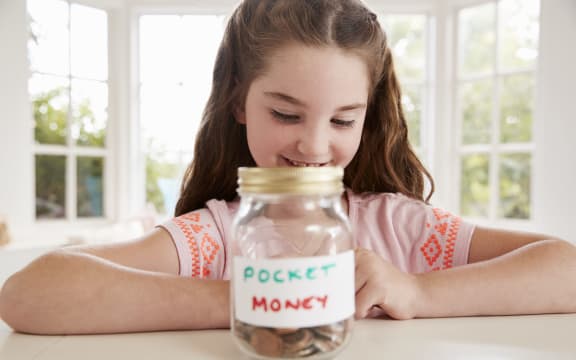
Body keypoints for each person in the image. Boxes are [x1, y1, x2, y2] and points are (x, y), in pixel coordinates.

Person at [1, 0, 575, 335]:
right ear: (238, 102)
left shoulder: (403, 229)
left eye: (343, 120)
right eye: (285, 112)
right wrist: (250, 297)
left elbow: (565, 267)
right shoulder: (219, 235)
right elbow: (28, 293)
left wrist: (419, 292)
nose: (314, 145)